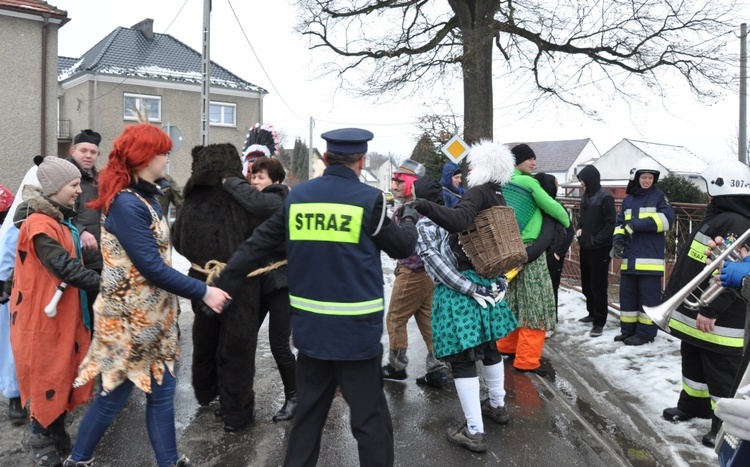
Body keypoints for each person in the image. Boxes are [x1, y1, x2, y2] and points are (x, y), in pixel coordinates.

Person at [212, 128, 418, 467]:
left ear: (325, 158)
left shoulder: (298, 197)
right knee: (370, 423)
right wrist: (408, 217)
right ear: (361, 160)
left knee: (307, 420)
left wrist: (223, 283)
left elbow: (257, 244)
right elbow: (403, 247)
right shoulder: (369, 200)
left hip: (311, 334)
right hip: (357, 336)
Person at [63, 124, 229, 467]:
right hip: (128, 322)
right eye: (163, 153)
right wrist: (204, 291)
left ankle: (169, 462)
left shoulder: (145, 197)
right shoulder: (126, 204)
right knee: (113, 398)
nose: (168, 158)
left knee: (162, 395)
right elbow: (152, 267)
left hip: (154, 318)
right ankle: (78, 461)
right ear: (143, 157)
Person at [412, 140, 520, 453]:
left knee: (461, 360)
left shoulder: (474, 195)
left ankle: (474, 431)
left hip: (463, 290)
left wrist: (424, 206)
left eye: (473, 164)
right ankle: (497, 406)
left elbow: (450, 237)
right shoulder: (499, 195)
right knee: (489, 348)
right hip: (487, 280)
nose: (469, 169)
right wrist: (497, 279)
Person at [9, 156, 100, 467]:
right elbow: (61, 266)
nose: (79, 191)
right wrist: (104, 284)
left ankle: (55, 430)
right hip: (42, 320)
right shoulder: (40, 223)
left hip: (62, 315)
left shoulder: (61, 220)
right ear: (55, 188)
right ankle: (37, 437)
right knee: (47, 374)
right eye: (74, 185)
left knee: (64, 371)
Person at [171, 143, 266, 433]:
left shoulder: (191, 202)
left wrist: (203, 259)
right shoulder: (246, 199)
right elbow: (264, 237)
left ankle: (206, 391)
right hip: (242, 283)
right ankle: (236, 413)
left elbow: (179, 242)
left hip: (202, 281)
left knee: (205, 336)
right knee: (238, 346)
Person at [659, 159, 750, 449]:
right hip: (696, 313)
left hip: (719, 320)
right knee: (694, 365)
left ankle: (723, 425)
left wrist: (710, 309)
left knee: (721, 373)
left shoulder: (737, 222)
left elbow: (731, 271)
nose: (706, 195)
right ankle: (692, 405)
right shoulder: (722, 215)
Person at [219, 155, 297, 422]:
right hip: (258, 282)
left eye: (260, 177)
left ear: (275, 180)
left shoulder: (278, 200)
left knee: (279, 345)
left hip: (281, 283)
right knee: (244, 338)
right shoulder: (257, 203)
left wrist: (229, 181)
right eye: (252, 176)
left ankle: (295, 397)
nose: (254, 181)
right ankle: (237, 398)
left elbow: (256, 204)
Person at [495, 145, 571, 375]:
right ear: (517, 161)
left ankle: (506, 347)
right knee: (536, 304)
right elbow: (554, 208)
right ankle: (527, 360)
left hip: (508, 250)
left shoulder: (502, 183)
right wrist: (566, 222)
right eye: (530, 159)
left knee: (513, 301)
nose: (534, 163)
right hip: (530, 250)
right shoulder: (529, 183)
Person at [382, 159, 449, 388]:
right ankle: (437, 368)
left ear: (412, 184)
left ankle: (396, 366)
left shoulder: (415, 209)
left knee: (395, 318)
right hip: (426, 273)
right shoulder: (423, 205)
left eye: (400, 181)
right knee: (427, 320)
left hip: (413, 271)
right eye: (394, 180)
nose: (395, 184)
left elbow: (410, 243)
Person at [611, 157, 674, 345]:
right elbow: (620, 224)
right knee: (628, 297)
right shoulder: (628, 200)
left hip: (649, 260)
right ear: (636, 178)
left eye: (650, 178)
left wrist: (636, 225)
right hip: (629, 259)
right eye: (644, 177)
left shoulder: (659, 197)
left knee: (648, 299)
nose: (647, 181)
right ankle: (628, 331)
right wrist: (617, 241)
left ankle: (645, 335)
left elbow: (666, 221)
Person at [0, 164, 37, 426]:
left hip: (37, 286)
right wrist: (3, 281)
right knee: (13, 343)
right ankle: (14, 396)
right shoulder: (21, 213)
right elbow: (8, 247)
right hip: (14, 287)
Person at [66, 129, 103, 329]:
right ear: (73, 151)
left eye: (93, 152)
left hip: (97, 258)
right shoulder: (64, 176)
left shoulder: (97, 179)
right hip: (76, 260)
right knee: (80, 319)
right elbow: (57, 211)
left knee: (95, 316)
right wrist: (81, 230)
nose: (88, 155)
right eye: (83, 151)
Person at [575, 165, 617, 337]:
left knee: (598, 285)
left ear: (591, 178)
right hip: (585, 246)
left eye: (583, 180)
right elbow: (582, 219)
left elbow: (610, 224)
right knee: (587, 283)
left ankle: (599, 321)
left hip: (599, 249)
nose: (581, 183)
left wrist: (595, 240)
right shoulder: (586, 196)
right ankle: (591, 312)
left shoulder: (605, 197)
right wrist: (579, 230)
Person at [531, 172, 575, 326]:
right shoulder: (534, 206)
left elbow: (570, 231)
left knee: (551, 289)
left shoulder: (556, 207)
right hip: (537, 254)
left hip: (552, 256)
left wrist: (558, 253)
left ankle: (550, 321)